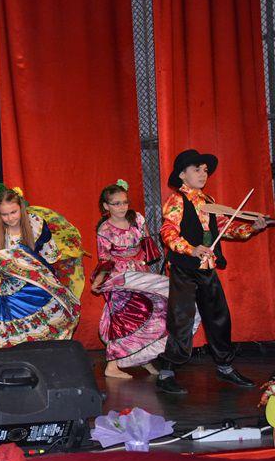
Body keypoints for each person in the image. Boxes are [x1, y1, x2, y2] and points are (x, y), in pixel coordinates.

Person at [156, 149, 271, 394]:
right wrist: (191, 249)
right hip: (183, 268)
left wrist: (252, 228)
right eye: (197, 169)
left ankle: (225, 367)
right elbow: (167, 233)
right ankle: (166, 372)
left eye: (205, 170)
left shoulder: (209, 201)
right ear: (182, 175)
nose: (203, 174)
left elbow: (225, 228)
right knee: (181, 319)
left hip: (206, 267)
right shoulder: (177, 200)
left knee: (219, 317)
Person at [0, 188, 81, 348]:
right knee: (2, 330)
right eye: (4, 214)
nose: (10, 218)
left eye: (13, 212)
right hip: (12, 291)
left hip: (38, 288)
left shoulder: (36, 224)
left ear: (21, 208)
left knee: (43, 331)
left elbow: (50, 256)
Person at [91, 179, 168, 379]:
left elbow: (147, 247)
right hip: (119, 277)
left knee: (149, 313)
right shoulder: (105, 230)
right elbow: (105, 259)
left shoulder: (138, 219)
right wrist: (99, 279)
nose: (122, 207)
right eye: (116, 203)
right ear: (106, 206)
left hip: (139, 272)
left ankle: (143, 358)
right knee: (122, 319)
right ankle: (112, 366)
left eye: (125, 202)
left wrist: (148, 272)